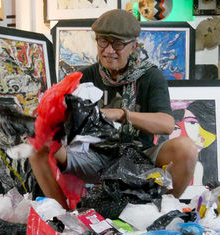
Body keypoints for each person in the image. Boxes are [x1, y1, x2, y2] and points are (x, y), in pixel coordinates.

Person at [30, 9, 198, 209]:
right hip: (95, 158)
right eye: (103, 42)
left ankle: (161, 210)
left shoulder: (150, 76)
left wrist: (122, 114)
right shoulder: (83, 77)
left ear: (133, 46)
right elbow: (59, 124)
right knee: (38, 147)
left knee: (186, 149)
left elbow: (167, 124)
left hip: (139, 156)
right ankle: (63, 215)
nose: (109, 51)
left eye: (117, 44)